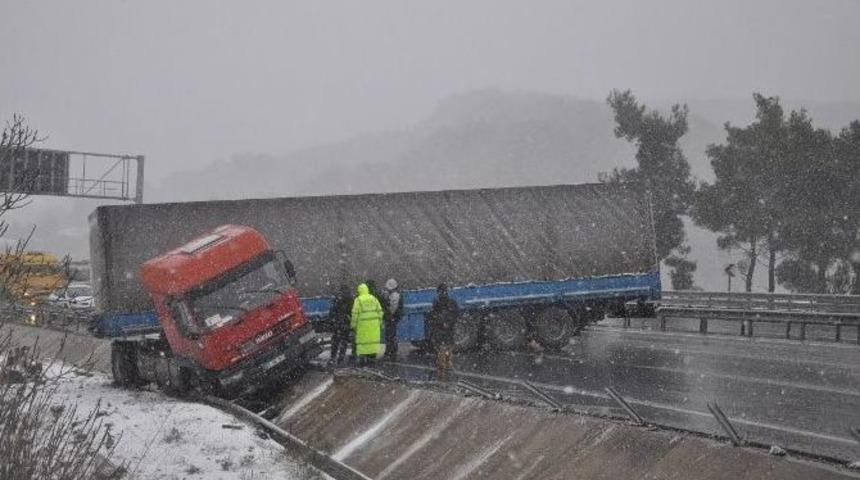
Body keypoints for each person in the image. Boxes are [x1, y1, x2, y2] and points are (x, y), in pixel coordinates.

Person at [426, 283, 458, 381]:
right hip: (447, 331)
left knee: (441, 353)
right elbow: (456, 315)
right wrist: (449, 323)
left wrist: (439, 324)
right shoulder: (452, 302)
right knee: (447, 351)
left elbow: (432, 317)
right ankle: (447, 369)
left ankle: (442, 375)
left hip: (440, 332)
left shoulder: (436, 303)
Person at [350, 283, 384, 366]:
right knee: (372, 345)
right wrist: (380, 322)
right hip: (374, 327)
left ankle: (363, 364)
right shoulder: (374, 299)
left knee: (363, 345)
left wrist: (353, 325)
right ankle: (372, 362)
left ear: (359, 291)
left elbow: (354, 314)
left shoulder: (358, 300)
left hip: (363, 327)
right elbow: (380, 311)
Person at [327, 284, 353, 366]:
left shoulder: (337, 298)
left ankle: (332, 358)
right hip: (346, 323)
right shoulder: (350, 298)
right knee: (344, 342)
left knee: (335, 342)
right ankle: (340, 359)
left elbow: (332, 311)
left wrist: (332, 320)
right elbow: (352, 312)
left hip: (337, 324)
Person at [383, 278, 404, 360]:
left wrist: (389, 315)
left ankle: (390, 352)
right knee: (391, 336)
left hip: (392, 319)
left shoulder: (394, 296)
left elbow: (392, 308)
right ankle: (392, 352)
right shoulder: (395, 295)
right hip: (394, 318)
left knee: (390, 336)